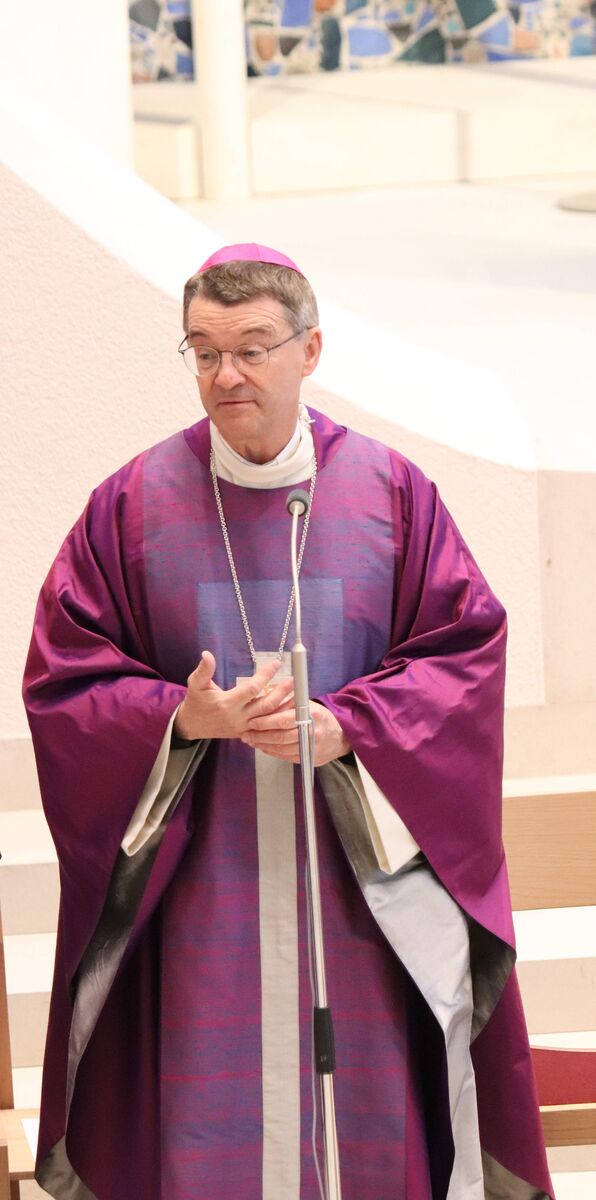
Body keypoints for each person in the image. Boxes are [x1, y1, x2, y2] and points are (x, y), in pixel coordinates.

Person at [23, 244, 553, 1200]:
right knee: (204, 1125)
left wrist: (355, 730)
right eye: (204, 351)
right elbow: (67, 681)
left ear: (310, 350)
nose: (226, 375)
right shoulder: (132, 508)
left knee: (369, 1124)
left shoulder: (391, 496)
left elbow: (464, 656)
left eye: (253, 348)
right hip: (200, 892)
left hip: (358, 889)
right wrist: (178, 721)